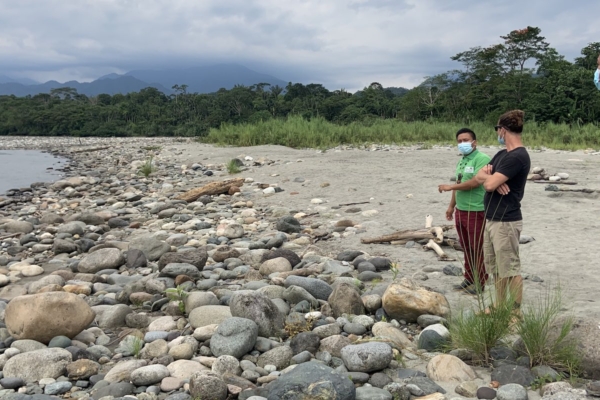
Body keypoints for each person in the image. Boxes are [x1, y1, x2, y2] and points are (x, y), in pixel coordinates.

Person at [475, 110, 530, 312]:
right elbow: (480, 175)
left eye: (498, 129)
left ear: (503, 130)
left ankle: (515, 312)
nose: (497, 133)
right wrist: (494, 182)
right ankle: (498, 305)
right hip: (492, 218)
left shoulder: (517, 156)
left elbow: (487, 184)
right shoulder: (501, 154)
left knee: (510, 268)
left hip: (506, 219)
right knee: (495, 268)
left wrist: (491, 182)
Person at [438, 128, 491, 295]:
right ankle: (469, 276)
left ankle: (481, 281)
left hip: (476, 209)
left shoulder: (482, 159)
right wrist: (451, 206)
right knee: (466, 246)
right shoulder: (462, 161)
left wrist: (450, 186)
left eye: (465, 140)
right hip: (461, 209)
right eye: (459, 141)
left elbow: (475, 183)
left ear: (474, 142)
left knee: (477, 247)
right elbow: (460, 183)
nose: (462, 144)